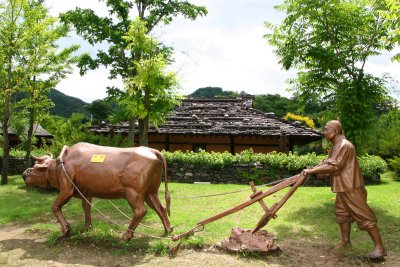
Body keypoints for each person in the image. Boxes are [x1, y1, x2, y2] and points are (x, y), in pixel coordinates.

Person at [302, 120, 386, 260]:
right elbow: (327, 162)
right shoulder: (336, 145)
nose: (324, 132)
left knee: (364, 216)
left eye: (326, 129)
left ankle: (380, 248)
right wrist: (316, 169)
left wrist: (312, 171)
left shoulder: (344, 145)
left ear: (335, 132)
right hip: (343, 187)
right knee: (342, 214)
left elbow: (335, 166)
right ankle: (346, 242)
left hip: (351, 187)